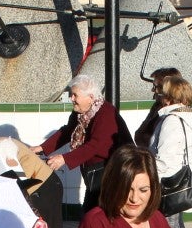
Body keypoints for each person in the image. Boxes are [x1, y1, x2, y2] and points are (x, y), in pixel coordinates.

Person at [33, 73, 132, 210]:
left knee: (94, 215)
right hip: (94, 173)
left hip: (111, 172)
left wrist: (64, 159)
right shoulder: (80, 113)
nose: (71, 98)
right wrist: (41, 148)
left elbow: (96, 145)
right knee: (92, 215)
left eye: (75, 95)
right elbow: (68, 131)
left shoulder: (106, 113)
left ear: (91, 97)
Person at [149, 74, 192, 228]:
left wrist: (146, 175)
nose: (159, 96)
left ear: (169, 97)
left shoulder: (172, 121)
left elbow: (164, 160)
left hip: (166, 184)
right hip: (179, 180)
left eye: (162, 93)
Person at [133, 66, 179, 148]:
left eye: (156, 86)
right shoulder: (157, 106)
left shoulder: (177, 113)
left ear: (167, 88)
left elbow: (161, 144)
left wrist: (148, 138)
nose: (153, 90)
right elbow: (138, 135)